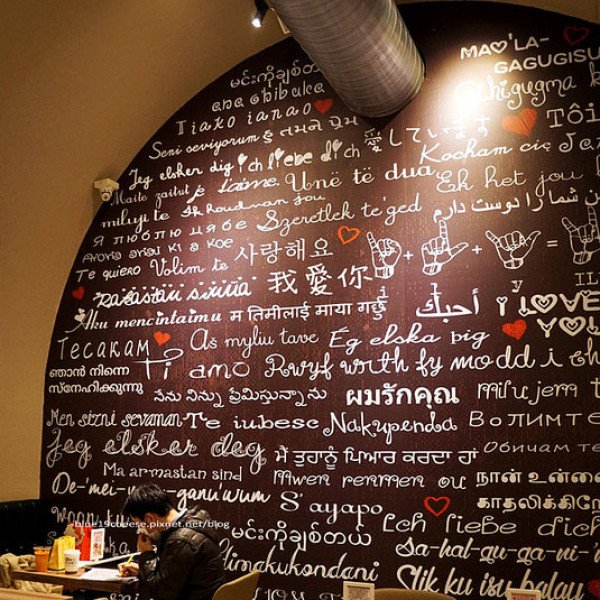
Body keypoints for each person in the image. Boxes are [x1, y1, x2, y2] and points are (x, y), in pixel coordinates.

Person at [119, 484, 225, 600]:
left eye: (139, 523)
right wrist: (142, 571)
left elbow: (161, 593)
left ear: (150, 519)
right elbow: (174, 577)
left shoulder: (181, 541)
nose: (140, 529)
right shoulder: (195, 522)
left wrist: (147, 555)